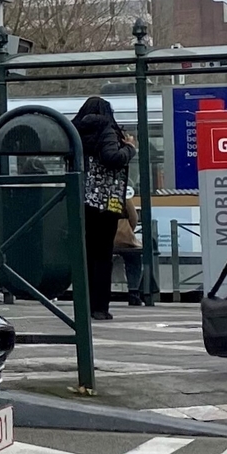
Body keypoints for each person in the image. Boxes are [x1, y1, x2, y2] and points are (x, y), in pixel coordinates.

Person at [73, 97, 132, 320]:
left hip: (80, 200)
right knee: (103, 255)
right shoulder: (106, 128)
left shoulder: (74, 130)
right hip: (106, 202)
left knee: (86, 254)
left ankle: (84, 305)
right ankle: (100, 307)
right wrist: (129, 149)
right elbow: (112, 157)